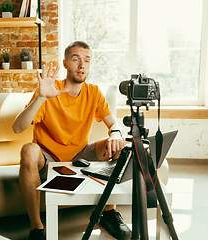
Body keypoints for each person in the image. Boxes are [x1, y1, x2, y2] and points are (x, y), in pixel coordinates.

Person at [12, 41, 131, 240]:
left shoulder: (93, 92)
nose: (81, 65)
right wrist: (40, 98)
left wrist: (116, 133)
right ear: (65, 63)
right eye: (76, 59)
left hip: (80, 155)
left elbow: (113, 123)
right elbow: (17, 128)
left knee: (122, 147)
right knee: (28, 149)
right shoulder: (49, 90)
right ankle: (36, 228)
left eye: (86, 60)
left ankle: (108, 212)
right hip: (48, 158)